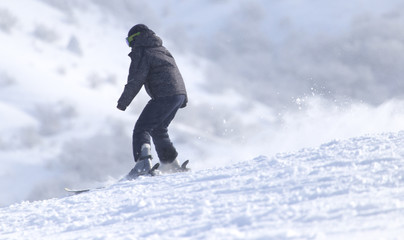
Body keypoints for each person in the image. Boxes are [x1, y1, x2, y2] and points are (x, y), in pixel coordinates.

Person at [117, 24, 188, 178]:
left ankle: (143, 165)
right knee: (158, 129)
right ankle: (171, 164)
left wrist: (123, 102)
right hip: (178, 95)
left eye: (129, 41)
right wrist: (182, 98)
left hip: (165, 94)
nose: (129, 46)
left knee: (142, 128)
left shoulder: (142, 51)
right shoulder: (161, 49)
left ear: (136, 38)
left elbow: (136, 79)